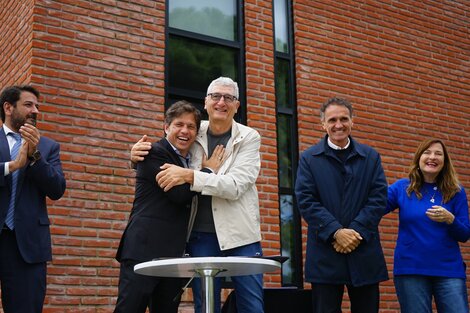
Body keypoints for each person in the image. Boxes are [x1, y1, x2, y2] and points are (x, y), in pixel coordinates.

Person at [131, 77, 264, 313]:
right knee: (204, 306)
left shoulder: (249, 137)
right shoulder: (192, 130)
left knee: (251, 305)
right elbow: (163, 153)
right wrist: (136, 157)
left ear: (237, 105)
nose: (221, 102)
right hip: (201, 236)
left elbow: (234, 186)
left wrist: (191, 176)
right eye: (216, 96)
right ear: (206, 102)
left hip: (241, 235)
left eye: (228, 98)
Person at [115, 100, 221, 312]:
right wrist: (206, 173)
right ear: (166, 127)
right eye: (179, 125)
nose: (185, 131)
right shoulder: (153, 151)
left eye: (191, 127)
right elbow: (179, 195)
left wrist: (192, 174)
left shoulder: (188, 161)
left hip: (173, 257)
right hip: (143, 251)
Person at [295, 97, 388, 313]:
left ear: (352, 121)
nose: (339, 125)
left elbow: (378, 198)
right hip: (326, 252)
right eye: (333, 120)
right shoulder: (309, 159)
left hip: (363, 250)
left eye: (344, 119)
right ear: (323, 124)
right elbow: (306, 200)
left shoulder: (371, 157)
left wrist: (354, 232)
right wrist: (335, 232)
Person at [0, 85, 66, 313]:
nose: (35, 110)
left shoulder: (48, 147)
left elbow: (57, 189)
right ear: (8, 107)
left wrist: (35, 156)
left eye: (37, 106)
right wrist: (12, 166)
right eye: (28, 104)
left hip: (27, 245)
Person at [385, 139, 470, 313]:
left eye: (438, 154)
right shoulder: (402, 188)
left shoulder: (456, 191)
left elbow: (465, 234)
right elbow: (373, 208)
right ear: (418, 158)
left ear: (445, 161)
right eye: (427, 152)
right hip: (411, 269)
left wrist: (450, 219)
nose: (432, 157)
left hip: (449, 271)